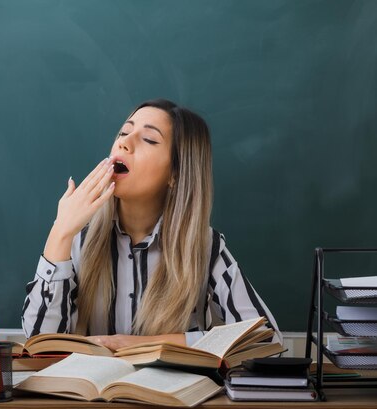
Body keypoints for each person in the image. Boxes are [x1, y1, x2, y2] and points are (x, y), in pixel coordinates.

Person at [21, 98, 281, 351]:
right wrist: (60, 232)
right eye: (123, 132)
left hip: (174, 394)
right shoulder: (79, 239)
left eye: (149, 139)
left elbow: (265, 339)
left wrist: (144, 345)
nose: (124, 143)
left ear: (175, 175)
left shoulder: (203, 246)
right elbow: (39, 343)